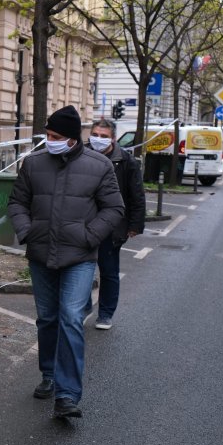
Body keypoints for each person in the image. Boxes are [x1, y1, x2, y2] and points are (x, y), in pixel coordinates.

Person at [8, 105, 124, 418]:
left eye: (55, 136)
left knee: (72, 316)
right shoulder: (33, 165)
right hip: (41, 254)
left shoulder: (99, 166)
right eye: (47, 135)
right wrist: (26, 231)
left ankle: (68, 394)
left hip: (79, 257)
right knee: (47, 318)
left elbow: (114, 209)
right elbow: (17, 202)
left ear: (72, 139)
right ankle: (49, 374)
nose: (49, 140)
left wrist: (89, 236)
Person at [84, 119, 146, 330]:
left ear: (112, 138)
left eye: (103, 136)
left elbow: (136, 194)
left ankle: (106, 314)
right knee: (81, 270)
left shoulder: (126, 161)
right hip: (83, 223)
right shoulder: (80, 155)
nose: (98, 140)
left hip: (112, 226)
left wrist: (135, 224)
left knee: (109, 272)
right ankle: (82, 309)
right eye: (95, 135)